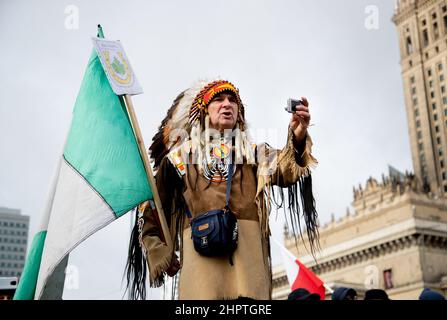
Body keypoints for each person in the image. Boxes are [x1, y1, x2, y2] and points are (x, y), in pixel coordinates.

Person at [126, 79, 318, 300]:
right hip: (201, 264)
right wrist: (161, 254)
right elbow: (149, 208)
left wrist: (299, 135)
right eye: (218, 99)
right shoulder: (178, 158)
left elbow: (287, 169)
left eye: (233, 101)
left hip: (248, 261)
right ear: (203, 111)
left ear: (240, 114)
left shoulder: (255, 154)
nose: (227, 104)